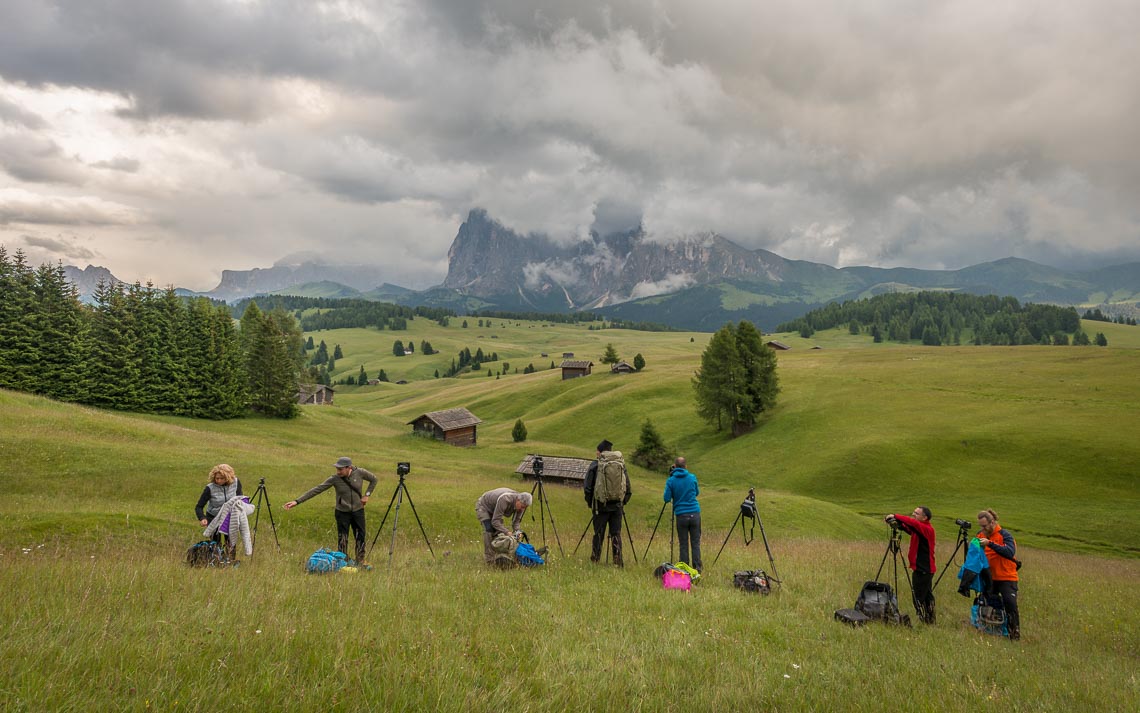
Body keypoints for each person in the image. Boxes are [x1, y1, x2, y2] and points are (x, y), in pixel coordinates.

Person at [284, 457, 377, 564]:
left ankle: (360, 560)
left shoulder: (360, 472)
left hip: (358, 511)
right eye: (337, 469)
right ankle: (343, 561)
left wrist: (367, 495)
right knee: (343, 538)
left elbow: (374, 479)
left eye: (340, 469)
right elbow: (317, 489)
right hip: (342, 513)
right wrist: (297, 501)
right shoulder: (335, 479)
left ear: (349, 467)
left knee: (360, 535)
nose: (338, 471)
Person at [884, 506, 937, 624]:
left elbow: (912, 524)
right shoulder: (920, 529)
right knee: (927, 595)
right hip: (923, 568)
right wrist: (898, 524)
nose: (914, 515)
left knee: (918, 597)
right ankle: (930, 620)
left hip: (924, 569)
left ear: (925, 517)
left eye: (917, 513)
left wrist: (895, 515)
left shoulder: (926, 529)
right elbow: (910, 528)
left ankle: (924, 619)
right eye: (914, 512)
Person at [583, 439, 631, 566]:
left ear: (599, 452)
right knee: (616, 533)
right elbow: (628, 488)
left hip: (600, 506)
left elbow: (587, 487)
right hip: (617, 506)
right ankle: (617, 560)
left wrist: (591, 504)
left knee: (599, 533)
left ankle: (595, 559)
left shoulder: (595, 465)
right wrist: (621, 502)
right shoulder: (620, 464)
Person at [977, 508, 1021, 641]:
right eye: (981, 526)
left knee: (1010, 603)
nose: (983, 529)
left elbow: (1009, 552)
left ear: (992, 523)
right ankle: (989, 630)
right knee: (986, 603)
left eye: (985, 526)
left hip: (1007, 578)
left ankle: (1014, 634)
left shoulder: (1005, 535)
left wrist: (990, 543)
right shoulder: (980, 535)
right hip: (989, 578)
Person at [474, 488, 532, 565]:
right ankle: (490, 560)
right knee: (489, 530)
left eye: (525, 508)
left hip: (495, 509)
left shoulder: (521, 505)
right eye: (522, 506)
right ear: (518, 500)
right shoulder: (505, 499)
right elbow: (495, 521)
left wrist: (518, 533)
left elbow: (516, 522)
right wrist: (507, 532)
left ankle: (500, 556)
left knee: (499, 531)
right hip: (484, 506)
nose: (522, 509)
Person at [664, 456, 701, 572]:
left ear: (675, 466)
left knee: (683, 543)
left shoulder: (671, 480)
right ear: (686, 466)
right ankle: (697, 568)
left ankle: (685, 569)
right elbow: (697, 492)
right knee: (695, 543)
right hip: (695, 513)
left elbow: (666, 498)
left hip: (681, 515)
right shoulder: (692, 477)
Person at [195, 464, 243, 552]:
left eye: (222, 478)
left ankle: (230, 561)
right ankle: (215, 561)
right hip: (213, 517)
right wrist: (202, 518)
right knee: (215, 543)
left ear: (228, 477)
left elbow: (240, 500)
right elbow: (199, 506)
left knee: (230, 541)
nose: (219, 480)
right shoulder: (210, 488)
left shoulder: (236, 483)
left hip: (229, 517)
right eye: (217, 478)